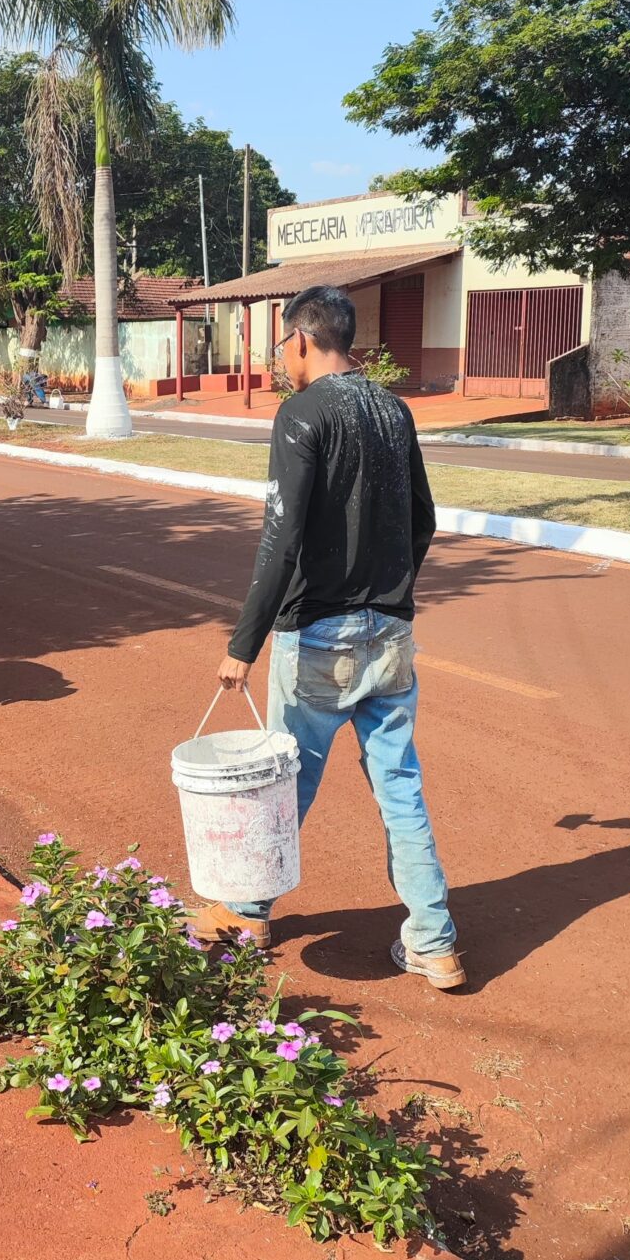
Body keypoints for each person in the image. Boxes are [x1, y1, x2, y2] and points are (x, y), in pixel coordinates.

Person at [200, 284, 463, 990]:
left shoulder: (301, 412)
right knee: (399, 784)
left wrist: (242, 643)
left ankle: (245, 913)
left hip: (317, 634)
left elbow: (280, 539)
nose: (282, 359)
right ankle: (434, 942)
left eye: (283, 345)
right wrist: (390, 594)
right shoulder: (391, 408)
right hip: (391, 630)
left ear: (302, 340)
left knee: (284, 783)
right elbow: (422, 521)